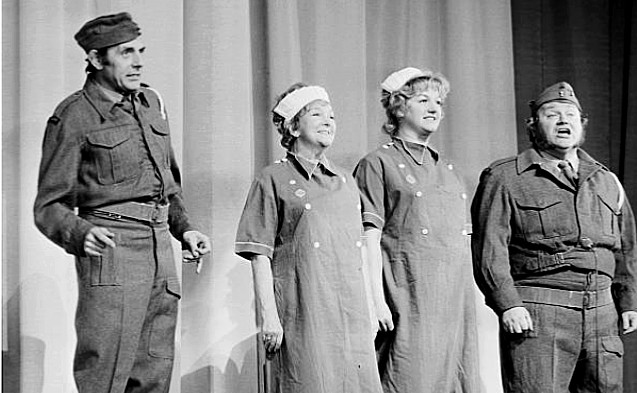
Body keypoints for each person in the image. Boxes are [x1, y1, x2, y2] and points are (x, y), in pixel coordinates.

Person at [33, 12, 210, 393]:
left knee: (154, 374)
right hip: (113, 250)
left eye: (140, 51)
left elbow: (168, 186)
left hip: (160, 249)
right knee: (105, 373)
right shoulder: (75, 116)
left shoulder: (150, 104)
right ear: (97, 60)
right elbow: (48, 206)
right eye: (126, 52)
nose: (139, 61)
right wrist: (80, 232)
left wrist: (187, 228)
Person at [471, 81, 637, 392]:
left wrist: (629, 302)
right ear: (533, 126)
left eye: (571, 115)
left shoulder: (606, 180)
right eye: (552, 114)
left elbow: (626, 247)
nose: (564, 121)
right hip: (540, 310)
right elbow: (488, 249)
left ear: (582, 124)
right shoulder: (505, 177)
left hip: (602, 312)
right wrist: (508, 304)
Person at [235, 83, 382, 393]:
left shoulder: (346, 181)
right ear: (293, 126)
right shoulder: (272, 178)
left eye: (332, 115)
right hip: (304, 310)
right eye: (317, 114)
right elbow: (259, 254)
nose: (329, 121)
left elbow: (362, 250)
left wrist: (371, 308)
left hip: (350, 313)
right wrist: (269, 317)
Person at [354, 67, 482, 392]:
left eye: (438, 102)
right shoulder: (377, 164)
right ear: (399, 107)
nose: (434, 107)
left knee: (457, 377)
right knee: (410, 376)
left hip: (454, 303)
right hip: (407, 297)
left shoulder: (449, 171)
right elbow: (367, 240)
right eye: (423, 99)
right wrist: (375, 301)